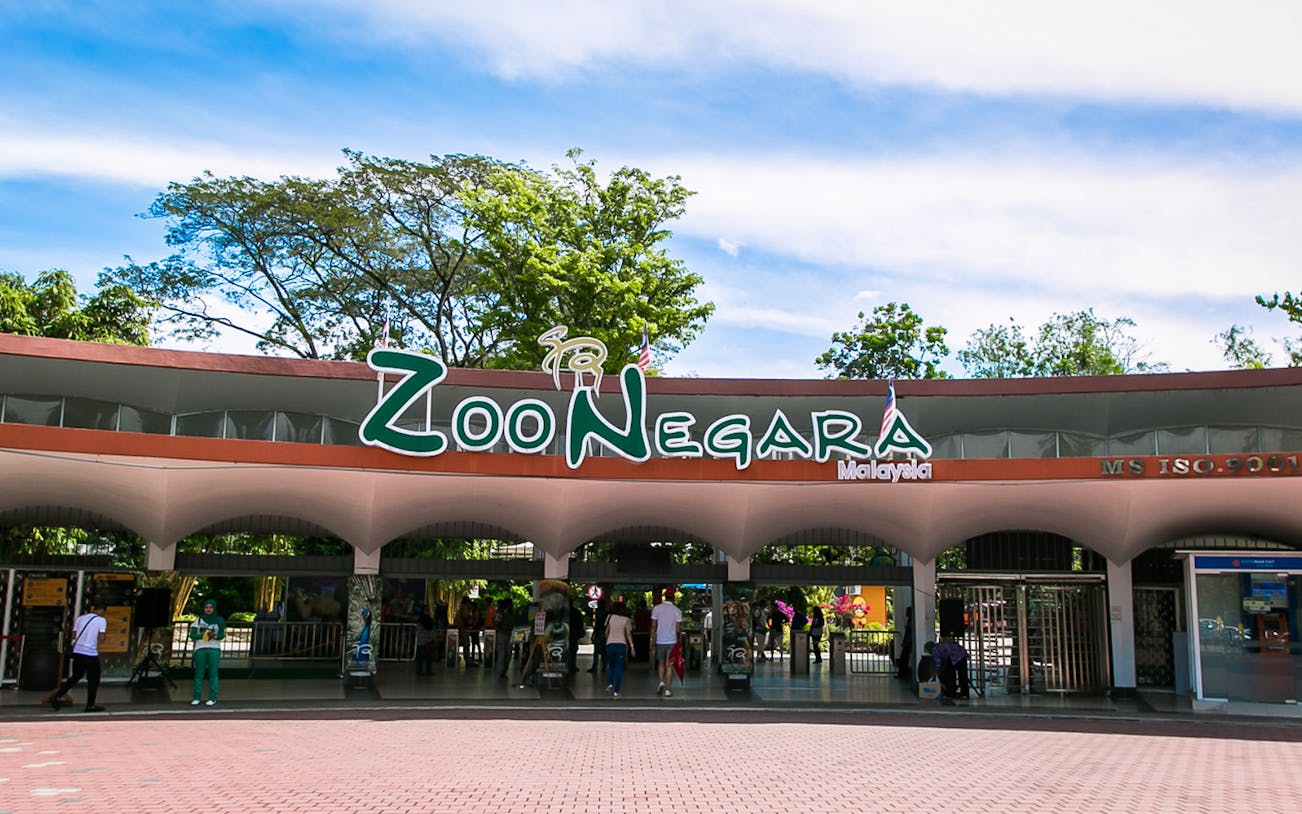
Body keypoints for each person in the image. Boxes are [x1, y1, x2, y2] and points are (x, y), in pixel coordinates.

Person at [48, 600, 107, 712]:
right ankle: (90, 705)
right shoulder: (101, 620)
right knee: (94, 679)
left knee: (75, 677)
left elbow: (74, 635)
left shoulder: (80, 618)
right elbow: (102, 637)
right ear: (101, 611)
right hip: (90, 653)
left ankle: (57, 696)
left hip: (78, 652)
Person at [189, 597, 226, 706]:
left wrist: (213, 636)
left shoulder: (219, 620)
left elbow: (221, 635)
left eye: (211, 607)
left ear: (214, 608)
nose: (208, 609)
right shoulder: (199, 619)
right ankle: (196, 697)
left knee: (213, 674)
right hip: (200, 649)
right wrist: (203, 635)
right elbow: (192, 635)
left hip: (214, 649)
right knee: (199, 674)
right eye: (206, 607)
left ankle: (212, 698)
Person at [650, 588, 682, 697]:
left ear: (664, 596)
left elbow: (653, 626)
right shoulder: (677, 611)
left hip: (660, 640)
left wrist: (652, 640)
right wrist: (679, 644)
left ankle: (661, 681)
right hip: (672, 641)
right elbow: (678, 629)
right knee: (670, 665)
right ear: (673, 597)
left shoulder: (656, 609)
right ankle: (668, 690)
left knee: (661, 663)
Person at [603, 601, 635, 697]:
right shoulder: (626, 619)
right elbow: (628, 634)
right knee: (619, 668)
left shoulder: (610, 617)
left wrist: (608, 640)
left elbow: (606, 632)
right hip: (621, 645)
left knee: (611, 666)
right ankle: (616, 691)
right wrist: (632, 647)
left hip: (610, 645)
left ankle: (609, 684)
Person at [493, 597, 514, 678]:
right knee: (502, 654)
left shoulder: (511, 613)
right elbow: (496, 624)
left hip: (509, 635)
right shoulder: (500, 613)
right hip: (502, 635)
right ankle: (500, 672)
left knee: (508, 654)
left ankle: (504, 671)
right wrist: (502, 630)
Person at [587, 597, 608, 675]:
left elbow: (597, 624)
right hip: (604, 633)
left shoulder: (598, 612)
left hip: (599, 633)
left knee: (596, 651)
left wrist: (593, 634)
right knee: (604, 652)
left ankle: (594, 667)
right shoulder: (606, 613)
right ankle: (604, 667)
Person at [414, 604, 437, 676]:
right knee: (421, 657)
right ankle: (419, 671)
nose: (427, 612)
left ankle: (428, 670)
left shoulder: (430, 620)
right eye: (425, 610)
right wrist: (429, 638)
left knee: (429, 657)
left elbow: (433, 630)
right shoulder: (420, 621)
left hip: (428, 641)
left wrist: (431, 638)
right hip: (422, 641)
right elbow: (420, 632)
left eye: (427, 610)